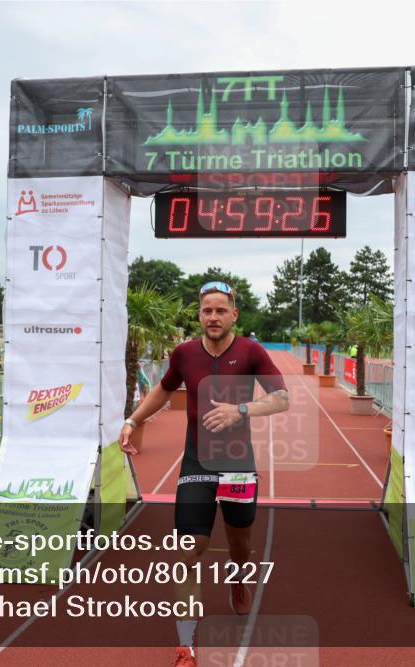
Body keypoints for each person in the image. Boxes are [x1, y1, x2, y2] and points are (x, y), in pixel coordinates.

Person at [119, 281, 290, 665]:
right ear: (199, 315)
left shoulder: (251, 351)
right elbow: (163, 390)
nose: (213, 317)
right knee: (186, 550)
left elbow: (282, 398)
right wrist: (132, 419)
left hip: (237, 465)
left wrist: (241, 410)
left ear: (234, 315)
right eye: (206, 311)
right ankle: (185, 646)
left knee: (240, 543)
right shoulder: (183, 353)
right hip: (196, 463)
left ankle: (239, 577)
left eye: (220, 310)